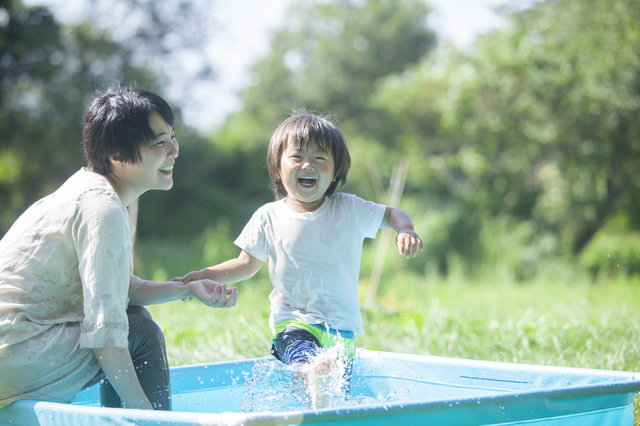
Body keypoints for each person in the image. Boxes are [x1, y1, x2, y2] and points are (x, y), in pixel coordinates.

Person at [0, 86, 238, 411]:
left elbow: (120, 292)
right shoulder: (103, 208)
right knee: (140, 331)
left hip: (15, 346)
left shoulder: (96, 192)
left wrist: (187, 289)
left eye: (172, 136)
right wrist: (149, 417)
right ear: (116, 154)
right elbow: (105, 331)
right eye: (159, 142)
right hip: (13, 351)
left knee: (133, 318)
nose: (174, 150)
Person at [175, 113, 422, 408]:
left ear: (336, 172)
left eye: (320, 158)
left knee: (332, 399)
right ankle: (310, 375)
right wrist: (207, 274)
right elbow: (245, 264)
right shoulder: (269, 216)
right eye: (297, 156)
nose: (309, 165)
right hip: (293, 319)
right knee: (303, 364)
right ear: (277, 167)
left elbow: (392, 213)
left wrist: (404, 229)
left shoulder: (350, 209)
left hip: (340, 327)